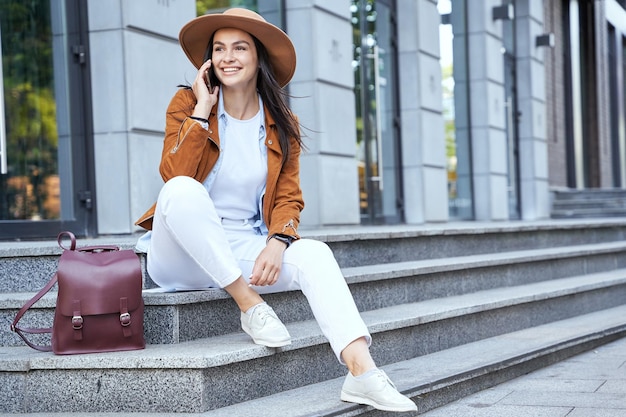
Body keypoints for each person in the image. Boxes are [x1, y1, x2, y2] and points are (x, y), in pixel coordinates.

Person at [134, 7, 417, 414]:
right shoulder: (187, 103)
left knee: (315, 253)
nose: (228, 57)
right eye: (219, 49)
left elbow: (288, 197)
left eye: (240, 47)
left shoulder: (282, 125)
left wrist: (279, 240)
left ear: (258, 56)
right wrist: (200, 109)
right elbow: (174, 174)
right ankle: (250, 305)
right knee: (180, 190)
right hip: (179, 254)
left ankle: (362, 374)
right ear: (209, 60)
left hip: (241, 247)